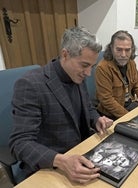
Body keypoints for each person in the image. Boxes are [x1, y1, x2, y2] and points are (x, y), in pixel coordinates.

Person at [9, 26, 113, 184]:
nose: (88, 73)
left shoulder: (78, 76)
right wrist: (61, 161)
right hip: (51, 165)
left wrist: (96, 119)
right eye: (84, 65)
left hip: (82, 153)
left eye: (92, 66)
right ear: (65, 54)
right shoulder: (30, 85)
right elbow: (20, 144)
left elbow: (88, 107)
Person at [95, 30, 138, 120]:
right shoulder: (102, 68)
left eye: (127, 50)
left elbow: (137, 85)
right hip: (111, 113)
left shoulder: (131, 63)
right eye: (119, 50)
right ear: (111, 48)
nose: (123, 55)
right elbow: (107, 100)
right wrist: (129, 117)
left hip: (128, 105)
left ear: (132, 49)